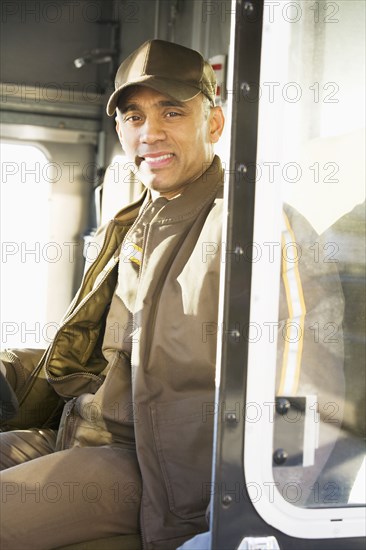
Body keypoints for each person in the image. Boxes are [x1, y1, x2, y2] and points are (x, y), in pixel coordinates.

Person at [0, 39, 225, 549]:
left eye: (172, 111)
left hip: (147, 464)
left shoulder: (238, 229)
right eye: (133, 116)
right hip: (75, 428)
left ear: (213, 123)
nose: (150, 132)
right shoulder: (131, 218)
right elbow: (97, 359)